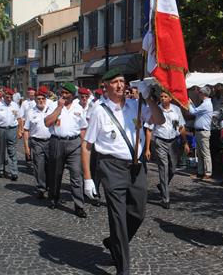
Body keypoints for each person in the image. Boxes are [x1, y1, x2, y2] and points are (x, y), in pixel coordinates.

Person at [81, 68, 165, 275]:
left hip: (137, 167)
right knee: (118, 217)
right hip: (111, 167)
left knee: (138, 213)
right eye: (115, 82)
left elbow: (160, 120)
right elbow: (87, 145)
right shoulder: (99, 111)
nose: (120, 85)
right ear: (106, 86)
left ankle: (113, 242)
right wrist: (88, 179)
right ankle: (123, 269)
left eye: (122, 81)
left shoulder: (136, 106)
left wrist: (149, 98)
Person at [44, 82, 88, 218]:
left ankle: (79, 205)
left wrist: (84, 145)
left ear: (72, 95)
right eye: (62, 93)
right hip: (57, 141)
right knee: (56, 173)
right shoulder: (53, 105)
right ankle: (54, 198)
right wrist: (59, 108)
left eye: (66, 93)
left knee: (76, 175)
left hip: (74, 143)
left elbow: (83, 128)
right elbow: (47, 122)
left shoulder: (79, 108)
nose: (64, 95)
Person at [145, 91, 189, 209]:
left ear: (170, 98)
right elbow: (149, 130)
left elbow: (180, 127)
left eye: (165, 96)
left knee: (173, 168)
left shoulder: (176, 110)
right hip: (160, 141)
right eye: (161, 96)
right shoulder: (155, 109)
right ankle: (165, 199)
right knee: (163, 168)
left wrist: (185, 142)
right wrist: (147, 148)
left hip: (173, 141)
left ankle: (162, 185)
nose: (163, 98)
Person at [23, 87, 51, 199]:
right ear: (35, 100)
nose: (40, 100)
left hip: (50, 142)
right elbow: (26, 131)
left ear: (45, 99)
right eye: (38, 98)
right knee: (39, 166)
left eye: (42, 98)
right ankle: (41, 188)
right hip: (36, 142)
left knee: (50, 166)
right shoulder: (30, 112)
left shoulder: (51, 109)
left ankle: (50, 186)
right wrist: (26, 148)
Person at [0, 87, 21, 180]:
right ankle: (1, 169)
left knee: (12, 150)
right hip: (1, 129)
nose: (9, 99)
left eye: (11, 97)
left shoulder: (15, 105)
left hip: (12, 129)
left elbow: (19, 118)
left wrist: (20, 130)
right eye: (7, 97)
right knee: (1, 150)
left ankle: (14, 172)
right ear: (3, 96)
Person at [188, 86, 214, 179]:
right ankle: (200, 172)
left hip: (203, 132)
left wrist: (188, 104)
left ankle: (207, 172)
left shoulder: (206, 104)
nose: (198, 94)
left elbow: (193, 112)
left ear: (203, 94)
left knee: (205, 153)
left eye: (199, 93)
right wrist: (191, 103)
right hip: (200, 132)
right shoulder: (205, 103)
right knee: (200, 153)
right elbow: (197, 111)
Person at [19, 87, 37, 165]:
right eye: (30, 94)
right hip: (27, 125)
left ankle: (36, 157)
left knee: (36, 142)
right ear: (28, 94)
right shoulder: (24, 103)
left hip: (36, 125)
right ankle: (28, 157)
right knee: (27, 142)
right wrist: (21, 128)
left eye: (33, 94)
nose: (31, 95)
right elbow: (21, 116)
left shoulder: (38, 101)